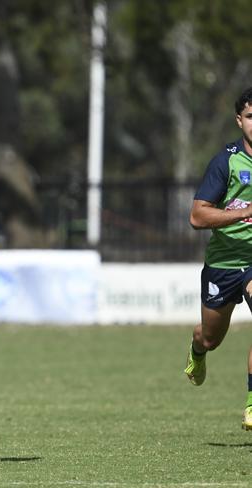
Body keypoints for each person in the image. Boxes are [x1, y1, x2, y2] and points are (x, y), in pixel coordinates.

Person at [184, 86, 252, 431]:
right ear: (239, 120)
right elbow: (197, 217)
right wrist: (244, 213)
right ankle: (197, 354)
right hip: (224, 263)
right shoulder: (225, 161)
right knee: (209, 337)